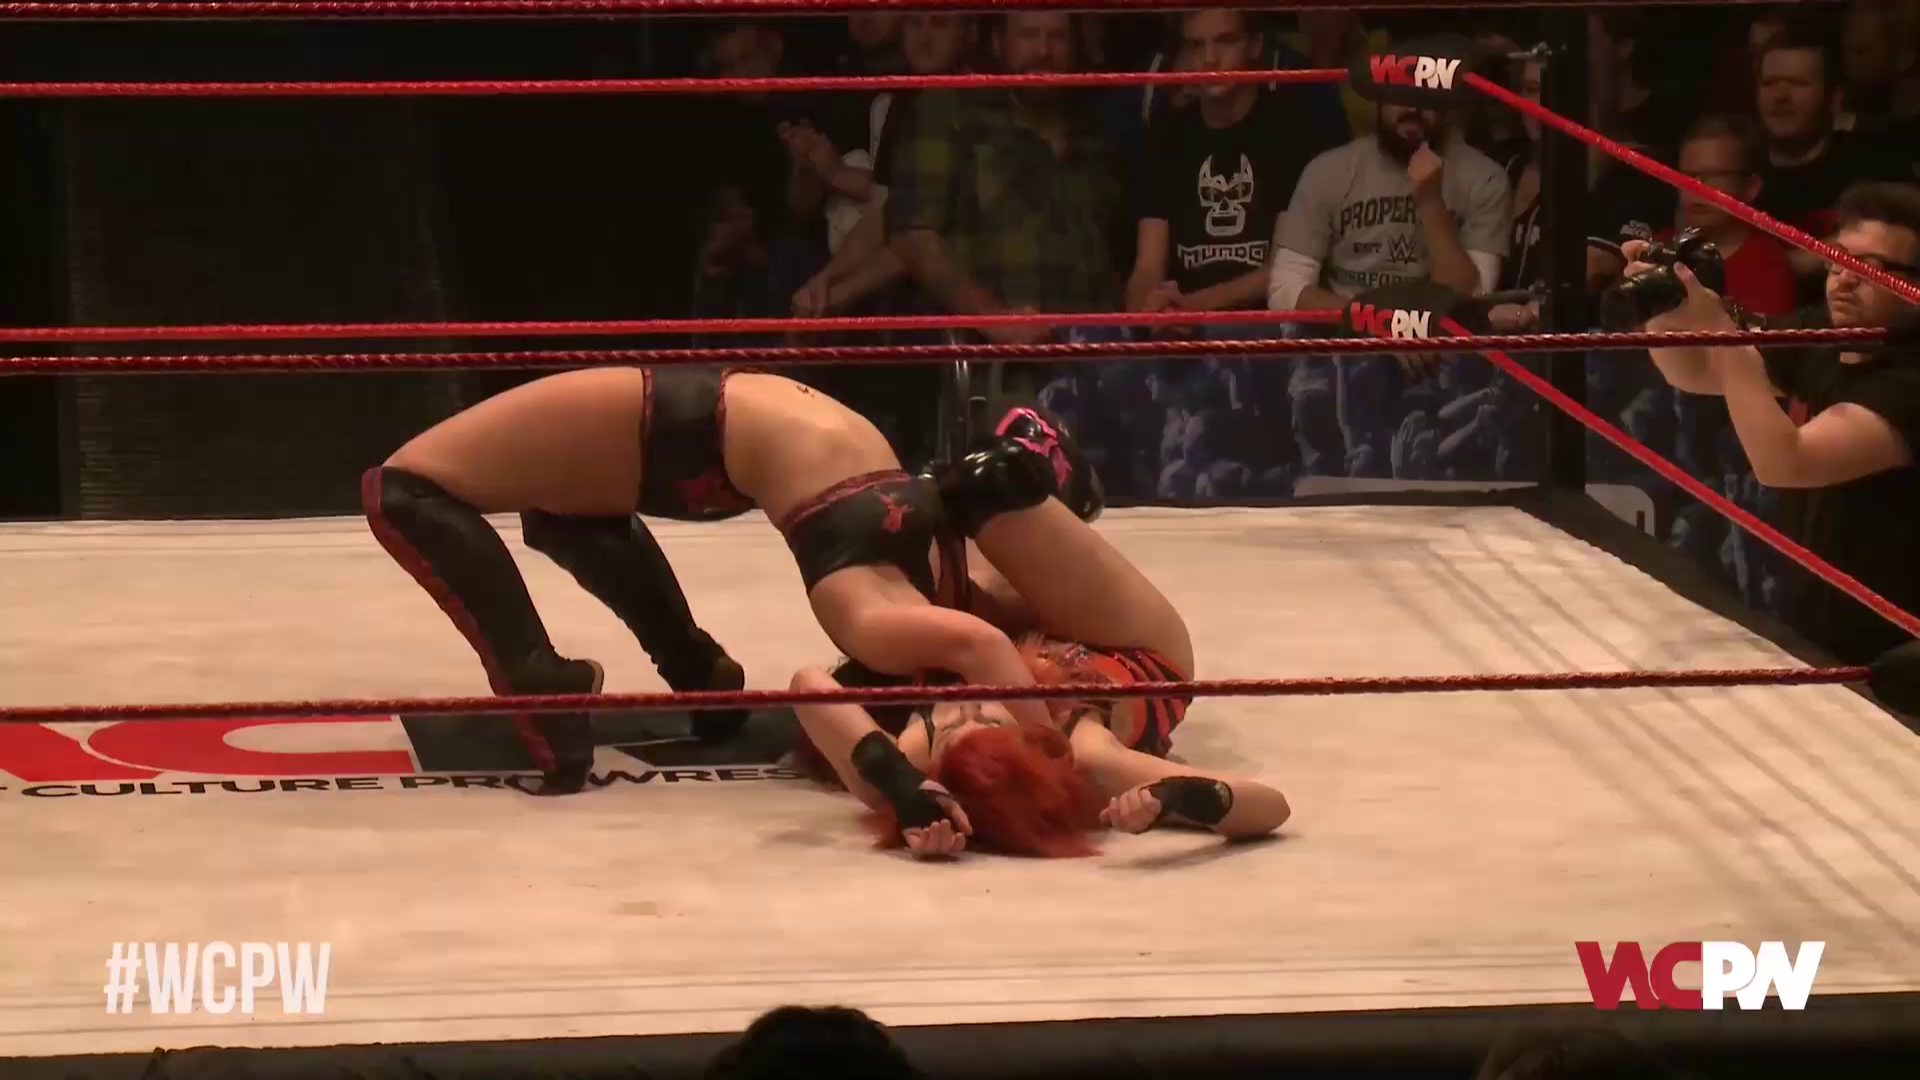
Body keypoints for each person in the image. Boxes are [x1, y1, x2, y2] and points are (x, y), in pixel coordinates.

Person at [362, 367, 1096, 794]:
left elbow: (977, 640)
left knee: (399, 489)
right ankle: (691, 667)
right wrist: (1052, 745)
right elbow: (979, 635)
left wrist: (1054, 763)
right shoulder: (882, 586)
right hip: (725, 433)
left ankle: (553, 681)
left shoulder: (871, 603)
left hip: (739, 429)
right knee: (562, 511)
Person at [787, 416, 1293, 858]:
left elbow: (809, 685)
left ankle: (1028, 532)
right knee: (994, 477)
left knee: (945, 510)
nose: (967, 699)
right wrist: (1178, 795)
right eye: (990, 716)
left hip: (1011, 633)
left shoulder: (917, 760)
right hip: (1129, 646)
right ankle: (1065, 490)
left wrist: (897, 785)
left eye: (952, 722)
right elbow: (1272, 806)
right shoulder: (1088, 756)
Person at [1627, 181, 1920, 663]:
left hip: (1893, 652)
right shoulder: (1826, 332)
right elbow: (1695, 373)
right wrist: (1663, 306)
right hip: (1816, 627)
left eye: (1871, 268)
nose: (1846, 279)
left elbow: (1786, 463)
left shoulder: (1910, 378)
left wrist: (1722, 333)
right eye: (1840, 259)